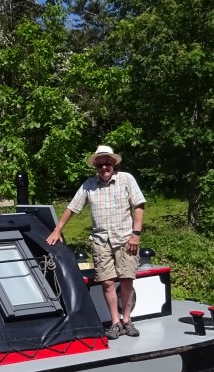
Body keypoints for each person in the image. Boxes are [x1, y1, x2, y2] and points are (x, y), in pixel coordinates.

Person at [45, 145, 146, 339]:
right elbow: (72, 208)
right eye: (100, 165)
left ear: (113, 163)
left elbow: (139, 206)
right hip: (101, 241)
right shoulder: (88, 185)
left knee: (127, 280)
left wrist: (136, 234)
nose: (104, 168)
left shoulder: (126, 179)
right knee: (107, 282)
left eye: (107, 164)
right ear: (95, 167)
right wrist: (57, 230)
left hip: (126, 239)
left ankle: (127, 319)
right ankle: (115, 322)